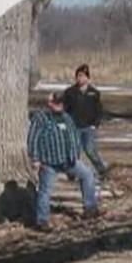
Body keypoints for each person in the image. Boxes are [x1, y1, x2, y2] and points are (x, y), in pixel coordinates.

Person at [28, 92, 100, 232]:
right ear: (50, 103)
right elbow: (33, 139)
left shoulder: (67, 117)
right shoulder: (41, 118)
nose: (59, 105)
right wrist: (35, 159)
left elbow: (74, 136)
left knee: (88, 175)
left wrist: (76, 154)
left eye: (61, 103)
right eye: (56, 102)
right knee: (45, 191)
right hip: (49, 161)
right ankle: (42, 221)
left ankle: (90, 208)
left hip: (70, 160)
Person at [61, 64, 108, 179]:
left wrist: (95, 124)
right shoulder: (70, 92)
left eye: (82, 76)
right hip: (74, 127)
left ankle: (102, 171)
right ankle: (72, 174)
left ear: (88, 78)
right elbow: (64, 109)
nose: (80, 79)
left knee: (90, 150)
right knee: (74, 152)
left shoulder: (94, 93)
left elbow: (99, 111)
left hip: (88, 127)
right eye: (78, 76)